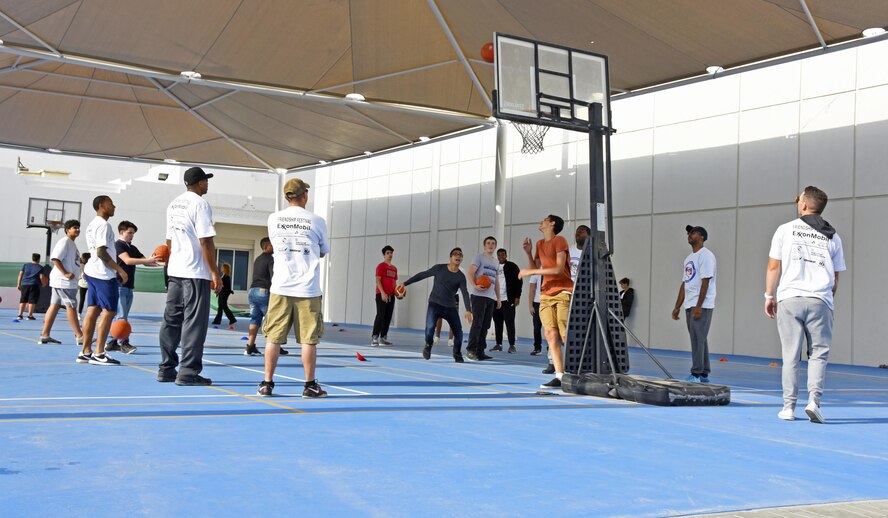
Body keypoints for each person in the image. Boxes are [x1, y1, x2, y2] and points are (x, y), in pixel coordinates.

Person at [765, 186, 846, 424]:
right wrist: (827, 299)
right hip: (819, 298)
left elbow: (773, 266)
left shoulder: (785, 230)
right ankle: (814, 402)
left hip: (790, 298)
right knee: (818, 354)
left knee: (791, 355)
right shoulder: (832, 235)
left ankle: (788, 407)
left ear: (803, 205)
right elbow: (836, 277)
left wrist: (769, 296)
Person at [257, 178, 329, 398]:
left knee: (273, 338)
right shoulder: (317, 221)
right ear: (304, 195)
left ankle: (266, 383)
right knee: (309, 339)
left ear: (286, 196)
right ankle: (309, 385)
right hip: (307, 289)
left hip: (280, 286)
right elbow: (323, 251)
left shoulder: (274, 219)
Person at [158, 167, 222, 386]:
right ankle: (188, 372)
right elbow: (206, 241)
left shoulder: (173, 203)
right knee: (194, 323)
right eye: (206, 181)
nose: (208, 184)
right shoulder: (200, 204)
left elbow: (169, 241)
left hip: (175, 269)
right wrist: (214, 272)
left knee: (171, 320)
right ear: (200, 183)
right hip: (195, 272)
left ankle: (166, 368)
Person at [519, 215, 574, 389]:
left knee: (565, 335)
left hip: (563, 292)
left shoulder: (560, 240)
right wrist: (528, 253)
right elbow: (535, 268)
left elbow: (558, 268)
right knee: (550, 334)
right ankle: (559, 376)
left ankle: (577, 372)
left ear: (552, 224)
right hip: (546, 294)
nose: (541, 221)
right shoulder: (539, 244)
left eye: (545, 219)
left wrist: (529, 271)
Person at [397, 248, 472, 362]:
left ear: (461, 259)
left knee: (459, 332)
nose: (458, 256)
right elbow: (422, 275)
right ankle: (428, 345)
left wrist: (468, 310)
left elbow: (465, 292)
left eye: (460, 255)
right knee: (430, 327)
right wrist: (405, 283)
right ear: (450, 257)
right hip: (435, 304)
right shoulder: (439, 268)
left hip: (450, 307)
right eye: (455, 254)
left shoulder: (461, 276)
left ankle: (457, 353)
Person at [80, 195, 128, 366]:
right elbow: (101, 252)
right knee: (109, 311)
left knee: (93, 310)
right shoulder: (103, 225)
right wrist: (120, 269)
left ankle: (86, 352)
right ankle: (99, 353)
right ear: (101, 206)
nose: (114, 206)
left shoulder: (91, 224)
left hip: (91, 272)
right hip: (102, 273)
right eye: (110, 204)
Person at [541, 224, 591, 373]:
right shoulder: (568, 250)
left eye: (582, 232)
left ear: (589, 235)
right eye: (577, 232)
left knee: (575, 330)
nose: (578, 234)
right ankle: (552, 361)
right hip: (564, 293)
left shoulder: (592, 254)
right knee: (555, 327)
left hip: (583, 297)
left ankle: (576, 361)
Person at [671, 225, 717, 383]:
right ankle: (704, 373)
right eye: (688, 233)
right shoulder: (688, 259)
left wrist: (699, 306)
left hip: (701, 305)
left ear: (702, 237)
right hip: (690, 304)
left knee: (698, 338)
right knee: (698, 338)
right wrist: (677, 306)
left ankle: (696, 373)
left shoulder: (706, 256)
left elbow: (706, 281)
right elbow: (685, 284)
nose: (689, 235)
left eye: (693, 232)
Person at [107, 220, 159, 354]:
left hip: (129, 287)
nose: (132, 235)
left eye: (133, 234)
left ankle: (112, 342)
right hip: (119, 286)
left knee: (122, 316)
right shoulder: (118, 245)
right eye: (130, 233)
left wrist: (164, 263)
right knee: (121, 317)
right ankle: (123, 343)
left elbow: (147, 262)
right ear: (121, 232)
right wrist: (148, 260)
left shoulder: (132, 247)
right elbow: (128, 260)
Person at [38, 220, 84, 346]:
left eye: (78, 228)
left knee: (55, 306)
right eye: (74, 227)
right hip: (64, 282)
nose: (77, 230)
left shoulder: (72, 244)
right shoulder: (64, 242)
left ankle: (45, 335)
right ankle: (80, 336)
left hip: (65, 282)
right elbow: (55, 258)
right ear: (67, 230)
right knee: (71, 306)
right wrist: (65, 273)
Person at [244, 237, 289, 356]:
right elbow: (274, 277)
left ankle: (250, 346)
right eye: (272, 245)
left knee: (255, 319)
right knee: (273, 319)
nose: (274, 247)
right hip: (264, 291)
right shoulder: (271, 259)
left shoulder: (258, 259)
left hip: (253, 291)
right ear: (266, 246)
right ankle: (275, 346)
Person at [466, 236, 501, 361]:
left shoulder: (496, 262)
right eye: (488, 243)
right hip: (479, 295)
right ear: (484, 245)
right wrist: (475, 285)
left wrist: (498, 298)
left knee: (486, 325)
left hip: (490, 297)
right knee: (477, 324)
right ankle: (471, 350)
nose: (490, 245)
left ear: (495, 246)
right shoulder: (479, 257)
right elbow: (470, 273)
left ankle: (480, 351)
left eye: (493, 243)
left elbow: (496, 281)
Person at [491, 248, 521, 353]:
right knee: (497, 322)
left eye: (503, 254)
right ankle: (498, 344)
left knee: (509, 322)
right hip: (496, 300)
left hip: (508, 300)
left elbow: (519, 282)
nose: (501, 256)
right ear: (497, 256)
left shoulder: (512, 266)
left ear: (506, 255)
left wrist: (517, 296)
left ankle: (512, 345)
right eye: (499, 255)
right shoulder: (494, 267)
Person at [371, 245, 398, 346]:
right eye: (388, 253)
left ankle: (383, 337)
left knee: (388, 317)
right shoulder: (381, 266)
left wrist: (398, 293)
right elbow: (378, 280)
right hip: (381, 294)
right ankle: (375, 337)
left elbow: (394, 283)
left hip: (391, 295)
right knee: (380, 315)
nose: (390, 255)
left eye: (391, 253)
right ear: (384, 255)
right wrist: (383, 293)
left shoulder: (394, 269)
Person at [16, 253, 46, 320]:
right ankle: (29, 316)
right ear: (39, 259)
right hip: (34, 285)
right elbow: (41, 277)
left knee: (23, 300)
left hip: (24, 284)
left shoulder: (25, 265)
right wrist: (43, 283)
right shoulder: (40, 267)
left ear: (32, 258)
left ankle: (20, 315)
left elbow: (20, 274)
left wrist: (18, 284)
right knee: (32, 301)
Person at [212, 263, 237, 327]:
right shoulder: (223, 276)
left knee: (224, 306)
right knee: (220, 307)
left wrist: (219, 289)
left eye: (222, 267)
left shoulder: (226, 277)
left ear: (225, 269)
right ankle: (217, 320)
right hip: (222, 293)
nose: (221, 268)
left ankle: (232, 318)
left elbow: (226, 286)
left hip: (224, 293)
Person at [528, 274, 543, 355]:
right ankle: (537, 348)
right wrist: (530, 305)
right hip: (537, 303)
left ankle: (550, 348)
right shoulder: (536, 273)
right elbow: (532, 290)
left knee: (550, 328)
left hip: (548, 302)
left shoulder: (551, 270)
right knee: (537, 327)